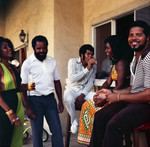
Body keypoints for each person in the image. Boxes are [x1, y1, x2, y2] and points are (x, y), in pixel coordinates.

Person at [89, 20, 150, 147]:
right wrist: (110, 92)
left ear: (148, 38)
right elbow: (133, 88)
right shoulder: (135, 59)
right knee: (100, 116)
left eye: (138, 35)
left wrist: (117, 97)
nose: (134, 38)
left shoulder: (148, 58)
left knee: (114, 125)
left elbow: (148, 94)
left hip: (146, 105)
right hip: (135, 101)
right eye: (131, 35)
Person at [77, 35, 133, 145]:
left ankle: (96, 143)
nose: (105, 50)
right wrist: (99, 93)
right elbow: (107, 82)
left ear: (115, 48)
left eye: (108, 48)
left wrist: (105, 97)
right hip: (114, 95)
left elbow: (120, 86)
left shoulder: (122, 63)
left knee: (96, 113)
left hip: (121, 99)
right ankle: (92, 142)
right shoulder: (115, 64)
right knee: (88, 105)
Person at [21, 35, 64, 147]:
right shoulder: (27, 63)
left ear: (47, 48)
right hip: (34, 101)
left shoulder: (52, 61)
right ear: (34, 48)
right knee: (37, 133)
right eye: (38, 49)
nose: (41, 51)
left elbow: (57, 82)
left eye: (44, 48)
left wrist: (60, 101)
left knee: (57, 130)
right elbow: (22, 87)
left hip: (50, 100)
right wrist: (27, 108)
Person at [0, 37, 32, 147]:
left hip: (18, 105)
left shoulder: (12, 67)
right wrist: (10, 113)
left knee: (17, 137)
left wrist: (27, 87)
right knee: (4, 138)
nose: (9, 49)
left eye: (9, 46)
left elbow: (17, 87)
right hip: (5, 108)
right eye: (5, 47)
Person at [64, 44, 97, 134]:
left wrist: (82, 94)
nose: (90, 57)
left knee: (97, 97)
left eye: (92, 54)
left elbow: (90, 82)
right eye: (88, 54)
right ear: (82, 55)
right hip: (72, 89)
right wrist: (87, 69)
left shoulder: (94, 66)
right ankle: (74, 122)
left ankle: (91, 125)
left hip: (84, 91)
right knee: (68, 99)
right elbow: (71, 79)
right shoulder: (72, 62)